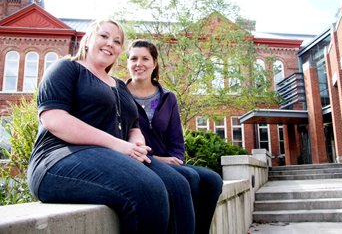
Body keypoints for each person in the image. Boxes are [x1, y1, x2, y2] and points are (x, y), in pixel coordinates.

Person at [27, 19, 195, 234]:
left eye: (117, 41)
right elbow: (55, 120)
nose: (110, 43)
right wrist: (119, 145)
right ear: (88, 40)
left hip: (113, 157)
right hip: (57, 160)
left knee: (179, 185)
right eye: (104, 36)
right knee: (147, 189)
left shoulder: (119, 86)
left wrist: (137, 146)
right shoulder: (67, 67)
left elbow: (134, 126)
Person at [125, 39, 224, 234]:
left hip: (168, 161)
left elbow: (176, 139)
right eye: (133, 58)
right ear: (127, 63)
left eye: (145, 58)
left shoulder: (167, 97)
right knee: (190, 177)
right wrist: (158, 159)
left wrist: (176, 159)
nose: (139, 64)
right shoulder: (120, 94)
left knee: (213, 180)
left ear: (154, 63)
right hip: (139, 160)